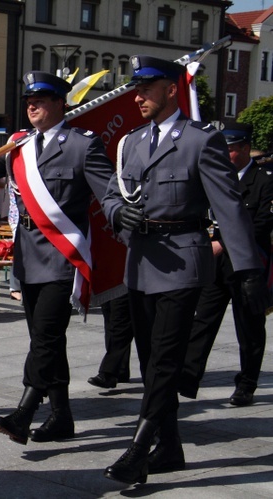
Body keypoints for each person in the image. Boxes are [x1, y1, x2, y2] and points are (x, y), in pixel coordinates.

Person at [100, 55, 267, 485]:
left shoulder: (200, 140)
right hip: (140, 263)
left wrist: (248, 269)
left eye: (147, 88)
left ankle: (139, 448)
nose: (139, 96)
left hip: (183, 261)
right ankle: (169, 448)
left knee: (165, 364)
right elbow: (111, 193)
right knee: (151, 359)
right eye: (136, 88)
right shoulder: (132, 142)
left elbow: (228, 205)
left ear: (171, 89)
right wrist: (119, 214)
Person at [0, 71, 113, 446]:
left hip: (62, 259)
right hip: (27, 261)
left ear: (60, 103)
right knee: (46, 339)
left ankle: (24, 410)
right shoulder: (18, 146)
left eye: (41, 99)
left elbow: (108, 194)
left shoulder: (82, 145)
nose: (32, 106)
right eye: (28, 101)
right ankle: (61, 417)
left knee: (47, 338)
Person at [178, 122, 273, 406]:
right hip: (215, 265)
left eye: (229, 150)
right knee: (202, 321)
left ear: (244, 149)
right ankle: (187, 377)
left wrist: (222, 241)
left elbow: (261, 224)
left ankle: (246, 384)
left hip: (247, 266)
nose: (224, 155)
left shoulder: (265, 181)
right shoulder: (217, 177)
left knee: (249, 327)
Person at [87, 293, 133, 390]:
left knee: (119, 322)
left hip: (125, 284)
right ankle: (120, 369)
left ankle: (109, 372)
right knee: (110, 320)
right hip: (109, 284)